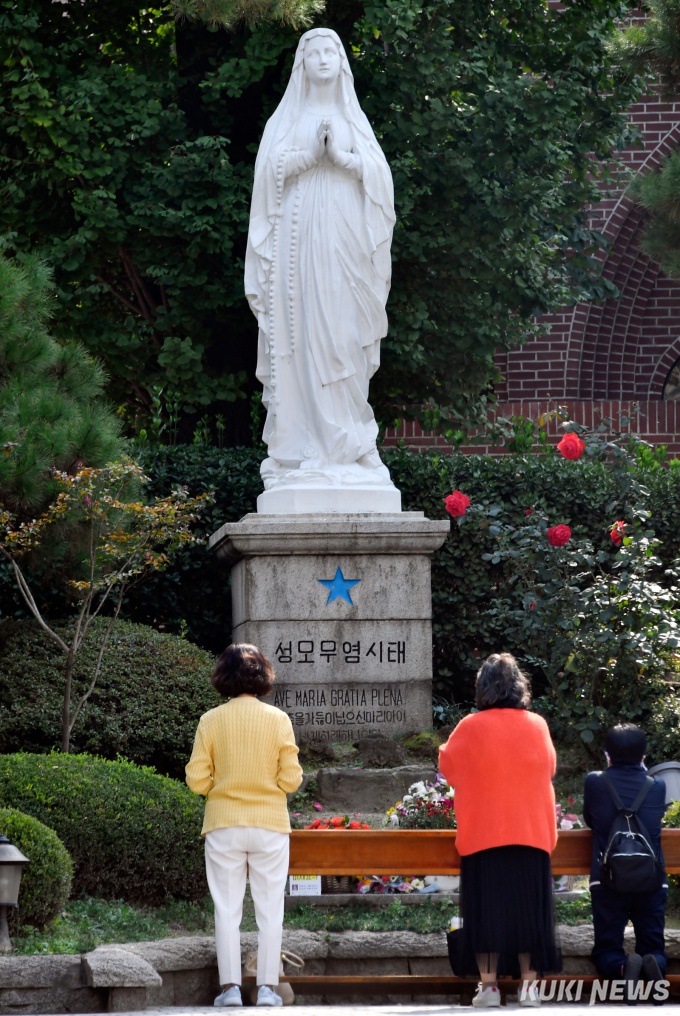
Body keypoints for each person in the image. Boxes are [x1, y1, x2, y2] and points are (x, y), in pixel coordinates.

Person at [439, 653, 561, 1008]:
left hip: (484, 834)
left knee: (484, 912)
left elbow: (448, 765)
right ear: (519, 686)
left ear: (482, 687)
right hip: (530, 833)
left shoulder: (470, 726)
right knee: (530, 913)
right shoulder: (537, 724)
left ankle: (489, 988)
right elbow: (550, 767)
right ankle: (529, 988)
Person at [186, 643, 303, 1008]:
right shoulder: (278, 720)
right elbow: (292, 780)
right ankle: (268, 988)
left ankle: (231, 989)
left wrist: (219, 785)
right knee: (270, 910)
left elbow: (196, 780)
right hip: (269, 822)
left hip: (223, 823)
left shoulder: (210, 720)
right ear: (262, 676)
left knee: (227, 909)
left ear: (223, 677)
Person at [583, 723, 668, 1001]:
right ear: (644, 756)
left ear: (608, 754)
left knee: (606, 947)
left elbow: (590, 820)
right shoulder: (657, 786)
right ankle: (653, 966)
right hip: (651, 880)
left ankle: (621, 969)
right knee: (653, 944)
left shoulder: (595, 782)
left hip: (608, 879)